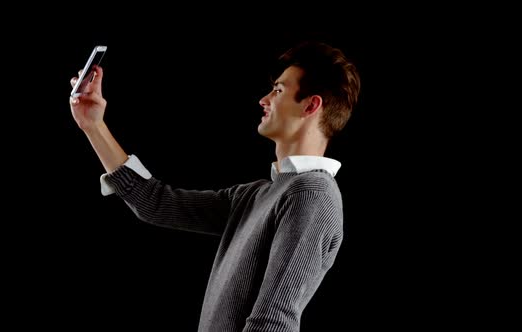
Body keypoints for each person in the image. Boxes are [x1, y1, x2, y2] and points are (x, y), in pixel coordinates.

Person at [69, 40, 361, 331]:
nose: (264, 99)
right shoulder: (256, 195)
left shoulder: (311, 193)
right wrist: (94, 126)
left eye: (279, 90)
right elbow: (154, 203)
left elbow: (273, 321)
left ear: (311, 105)